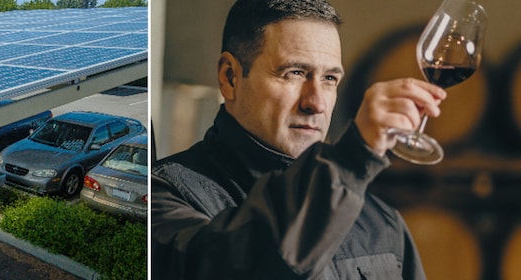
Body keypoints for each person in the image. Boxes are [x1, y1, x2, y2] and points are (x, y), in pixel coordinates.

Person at [151, 0, 443, 279]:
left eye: (329, 79)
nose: (316, 103)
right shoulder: (163, 198)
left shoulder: (381, 221)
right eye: (295, 73)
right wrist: (354, 157)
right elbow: (239, 267)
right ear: (230, 78)